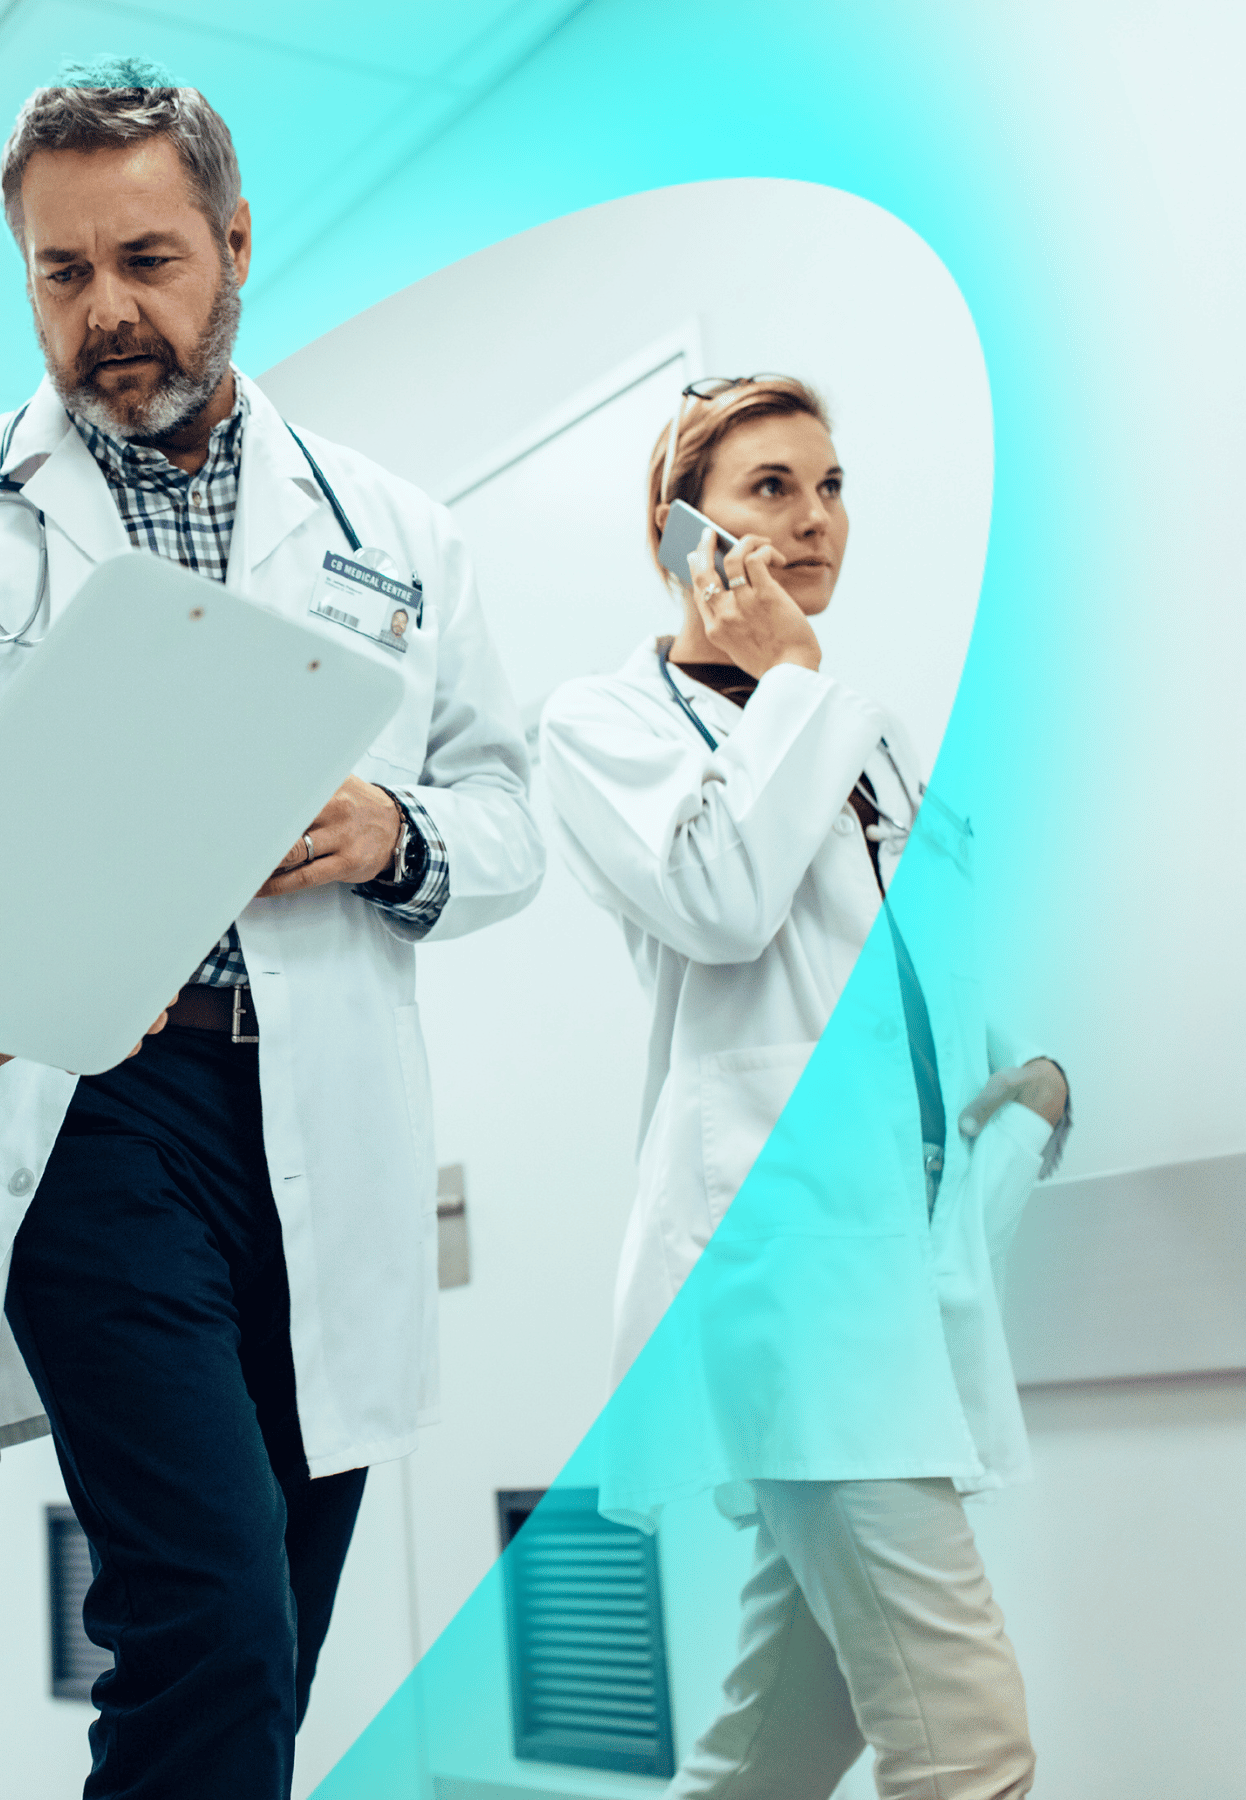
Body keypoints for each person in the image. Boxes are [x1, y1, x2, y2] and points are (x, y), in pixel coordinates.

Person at [0, 61, 544, 1800]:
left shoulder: (397, 537)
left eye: (148, 260)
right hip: (84, 1100)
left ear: (236, 244)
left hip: (315, 1117)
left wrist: (385, 829)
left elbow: (509, 818)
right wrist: (14, 851)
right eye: (64, 275)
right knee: (207, 1613)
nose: (109, 313)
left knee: (274, 1615)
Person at [538, 376, 1070, 1800]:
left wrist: (1028, 1080)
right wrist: (790, 685)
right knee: (968, 1745)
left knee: (782, 1738)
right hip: (787, 1275)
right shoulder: (605, 723)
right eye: (772, 487)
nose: (816, 518)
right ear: (680, 532)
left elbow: (917, 966)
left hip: (898, 1271)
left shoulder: (863, 732)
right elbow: (719, 898)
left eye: (831, 487)